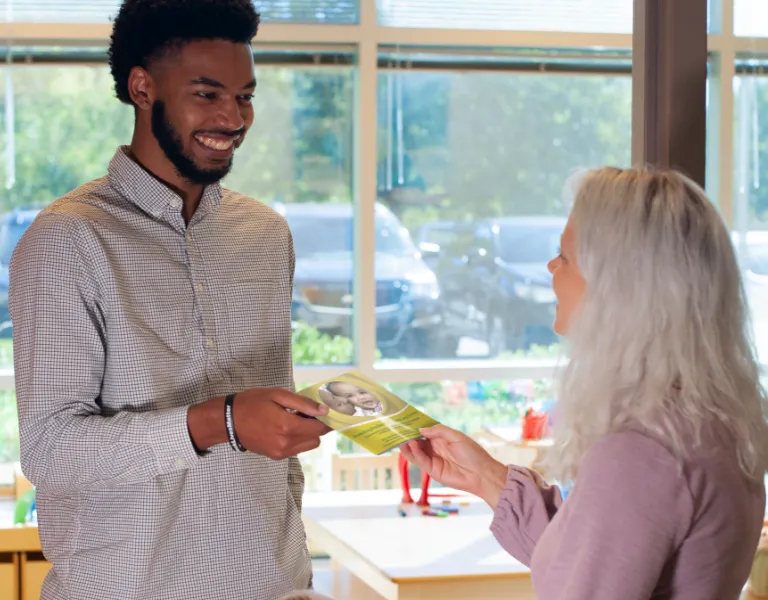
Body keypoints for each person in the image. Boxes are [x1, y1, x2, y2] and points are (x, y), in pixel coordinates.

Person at [9, 1, 332, 599]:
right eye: (207, 95)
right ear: (142, 87)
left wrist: (298, 568)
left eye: (245, 96)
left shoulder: (265, 235)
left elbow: (278, 443)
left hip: (274, 587)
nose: (233, 118)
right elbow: (52, 450)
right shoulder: (67, 239)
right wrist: (224, 421)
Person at [402, 167, 768, 600]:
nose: (551, 266)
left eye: (566, 256)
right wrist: (485, 476)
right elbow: (597, 552)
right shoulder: (705, 420)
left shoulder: (643, 451)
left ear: (620, 286)